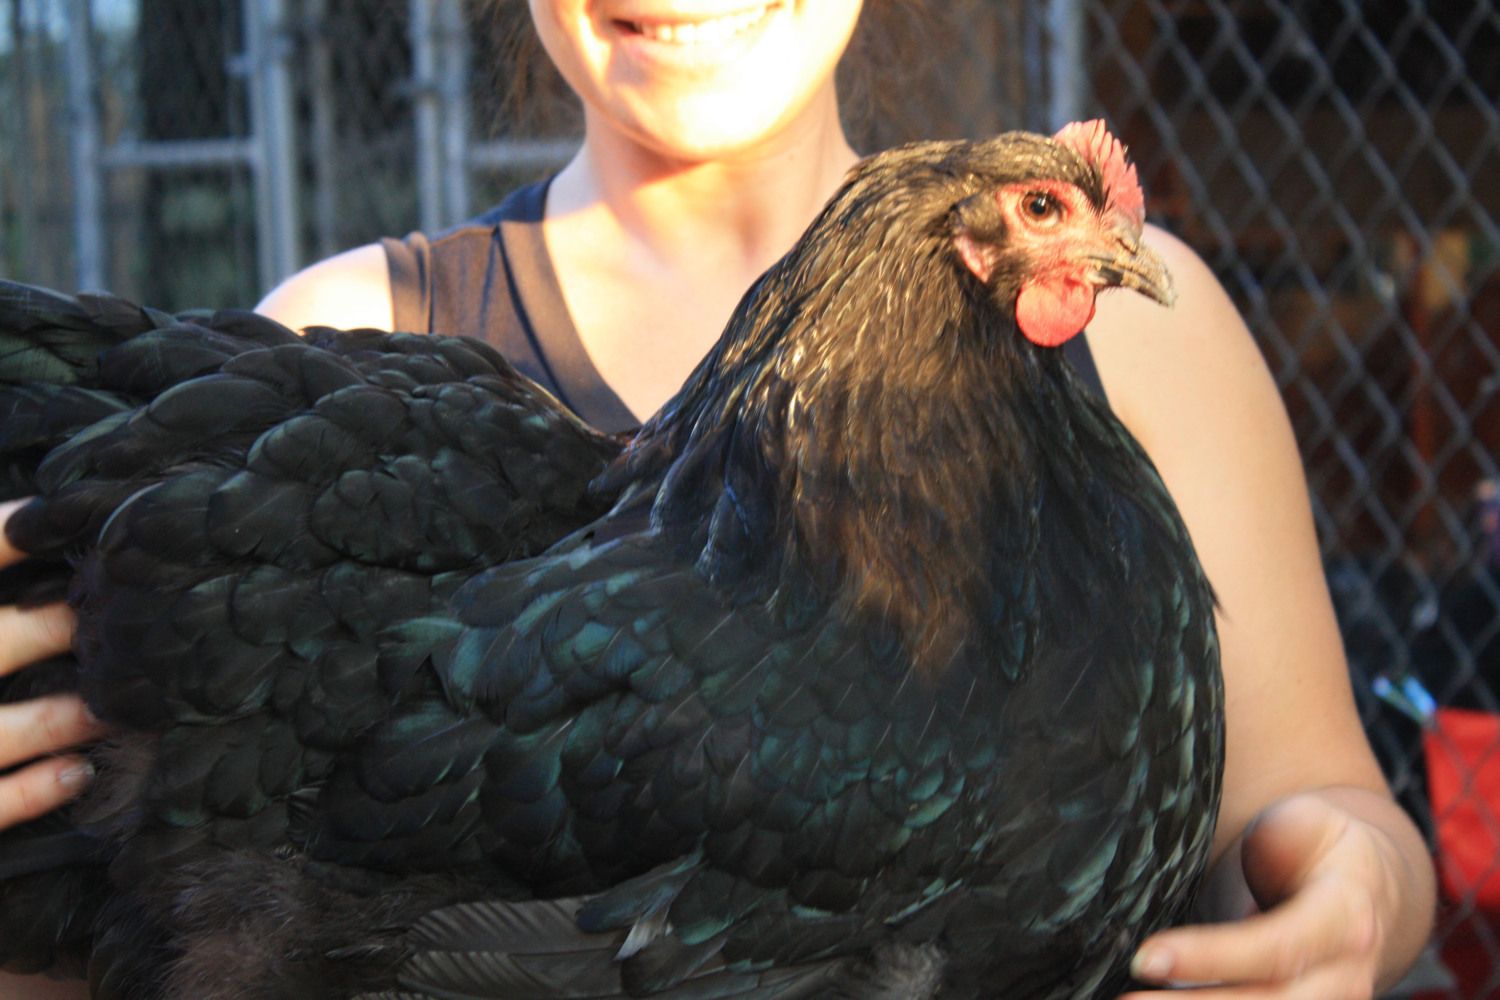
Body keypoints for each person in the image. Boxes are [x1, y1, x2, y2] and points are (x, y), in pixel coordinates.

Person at [0, 1, 1436, 997]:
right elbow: (193, 915)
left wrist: (1359, 888)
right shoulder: (340, 335)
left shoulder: (1161, 353)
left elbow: (1324, 802)